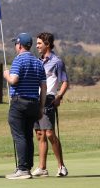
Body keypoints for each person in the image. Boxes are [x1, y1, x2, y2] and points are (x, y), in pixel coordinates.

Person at [4, 33, 47, 180]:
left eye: (16, 44)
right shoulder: (38, 62)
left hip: (19, 102)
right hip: (34, 103)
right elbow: (44, 87)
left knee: (19, 135)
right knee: (28, 135)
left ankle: (22, 169)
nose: (15, 47)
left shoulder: (18, 60)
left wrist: (6, 75)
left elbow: (14, 80)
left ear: (20, 45)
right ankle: (27, 167)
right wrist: (41, 107)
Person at [32, 32, 69, 177]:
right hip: (35, 99)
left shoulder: (57, 61)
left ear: (47, 44)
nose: (37, 46)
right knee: (40, 134)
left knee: (50, 133)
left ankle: (61, 166)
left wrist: (59, 96)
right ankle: (42, 168)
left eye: (39, 43)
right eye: (37, 43)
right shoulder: (37, 61)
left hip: (48, 99)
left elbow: (65, 82)